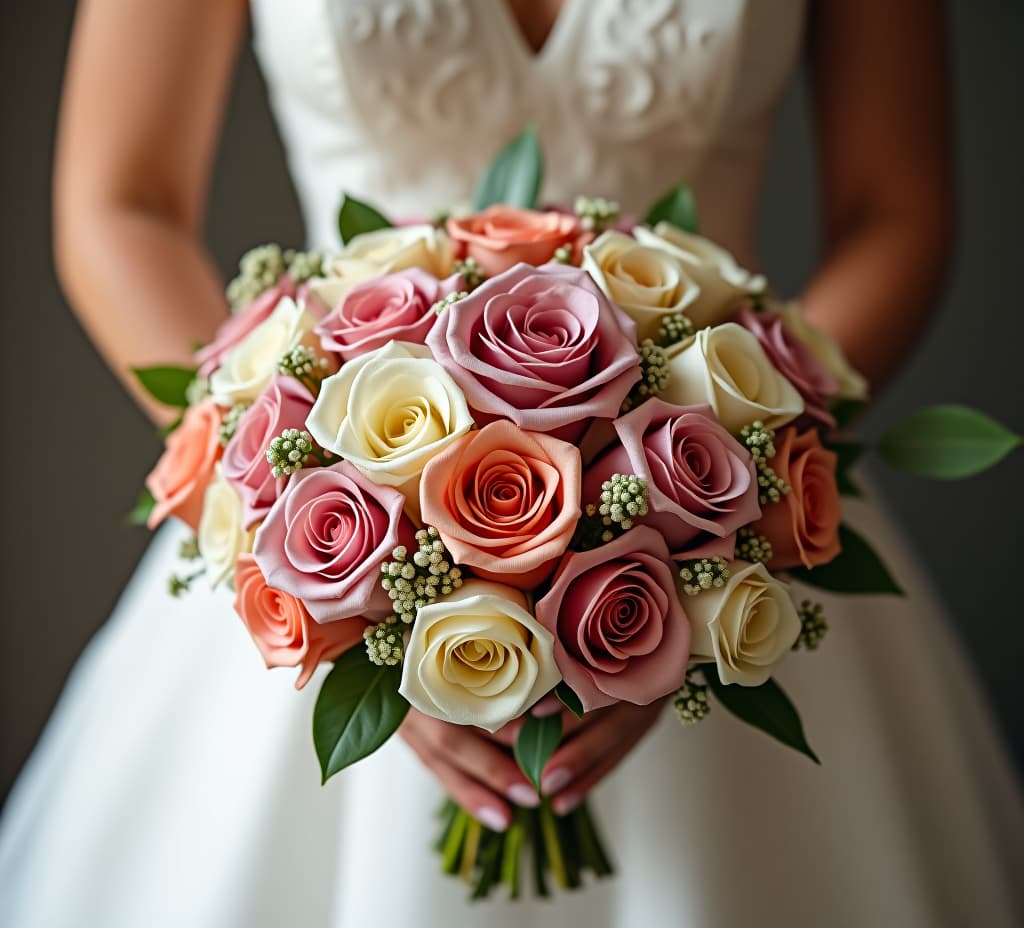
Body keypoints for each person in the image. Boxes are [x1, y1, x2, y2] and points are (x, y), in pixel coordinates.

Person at [1, 0, 1022, 925]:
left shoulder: (717, 526)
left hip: (724, 503)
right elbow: (118, 202)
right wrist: (318, 547)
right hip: (337, 503)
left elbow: (894, 210)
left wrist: (707, 541)